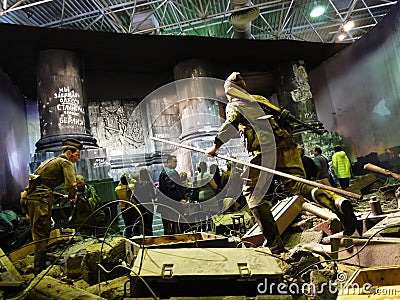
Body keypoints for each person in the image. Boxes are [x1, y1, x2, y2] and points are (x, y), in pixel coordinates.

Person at [206, 72, 357, 253]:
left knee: (252, 193)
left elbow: (230, 125)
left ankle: (275, 245)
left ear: (230, 92)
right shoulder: (260, 99)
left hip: (264, 150)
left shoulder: (235, 105)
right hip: (286, 146)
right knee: (300, 184)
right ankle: (338, 202)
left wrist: (215, 147)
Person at [20, 138, 83, 274]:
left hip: (30, 198)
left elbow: (42, 185)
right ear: (69, 153)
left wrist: (61, 197)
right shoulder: (66, 163)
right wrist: (73, 197)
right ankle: (39, 271)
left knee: (40, 232)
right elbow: (70, 185)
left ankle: (40, 264)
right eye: (77, 154)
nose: (77, 158)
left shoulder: (50, 162)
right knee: (42, 234)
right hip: (39, 201)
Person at [158, 155, 187, 235]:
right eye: (175, 161)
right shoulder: (170, 172)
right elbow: (172, 187)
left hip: (165, 204)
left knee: (167, 227)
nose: (176, 163)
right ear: (169, 162)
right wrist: (180, 198)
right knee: (176, 226)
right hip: (172, 204)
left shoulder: (164, 171)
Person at [132, 168, 155, 236]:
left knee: (143, 224)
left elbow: (134, 195)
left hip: (140, 206)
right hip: (149, 205)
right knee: (149, 225)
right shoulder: (149, 183)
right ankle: (150, 239)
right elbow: (153, 195)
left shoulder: (137, 184)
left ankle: (144, 239)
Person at [115, 174, 135, 238]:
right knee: (134, 225)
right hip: (132, 208)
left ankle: (128, 238)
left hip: (123, 208)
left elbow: (119, 185)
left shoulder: (117, 189)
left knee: (127, 225)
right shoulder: (132, 186)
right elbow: (134, 181)